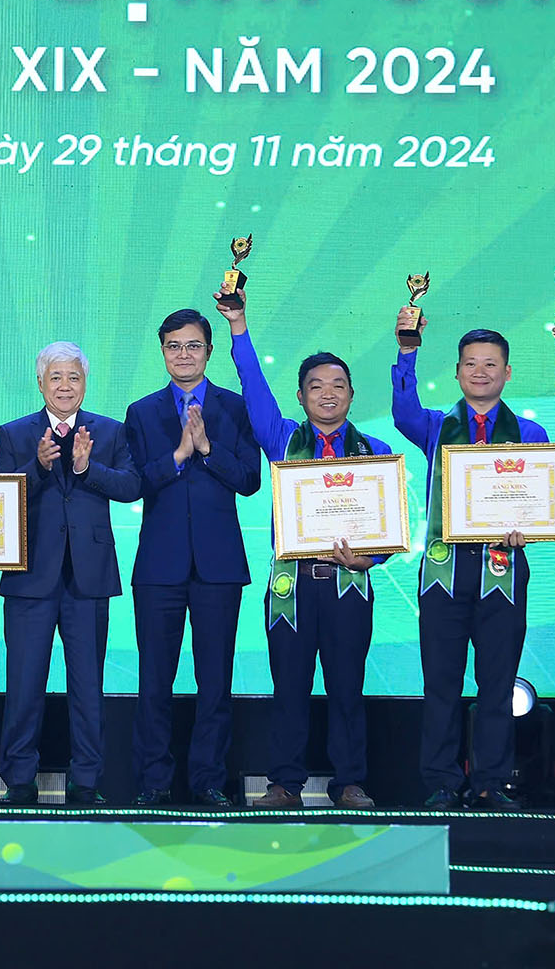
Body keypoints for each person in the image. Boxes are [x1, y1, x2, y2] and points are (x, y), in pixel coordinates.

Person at [216, 289, 386, 810]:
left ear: (352, 394)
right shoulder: (283, 440)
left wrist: (372, 559)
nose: (328, 394)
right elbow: (253, 387)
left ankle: (349, 783)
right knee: (288, 689)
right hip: (292, 587)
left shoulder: (375, 453)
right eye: (316, 386)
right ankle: (285, 784)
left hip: (349, 585)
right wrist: (239, 327)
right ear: (301, 395)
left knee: (347, 689)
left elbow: (386, 526)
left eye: (338, 386)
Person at [392, 318, 549, 812]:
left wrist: (530, 529)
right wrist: (407, 352)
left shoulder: (531, 433)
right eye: (471, 364)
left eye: (491, 364)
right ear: (457, 372)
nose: (481, 372)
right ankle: (441, 782)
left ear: (507, 372)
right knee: (441, 682)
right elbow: (402, 411)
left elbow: (540, 503)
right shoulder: (436, 426)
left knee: (497, 684)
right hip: (445, 571)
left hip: (503, 570)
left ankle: (490, 782)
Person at [124, 308, 263, 807]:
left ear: (208, 350)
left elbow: (250, 480)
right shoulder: (141, 412)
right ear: (163, 351)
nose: (183, 354)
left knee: (215, 682)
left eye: (193, 345)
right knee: (153, 681)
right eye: (174, 346)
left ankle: (208, 780)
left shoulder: (235, 407)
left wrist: (207, 447)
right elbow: (135, 482)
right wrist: (179, 456)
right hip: (158, 567)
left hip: (218, 566)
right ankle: (153, 782)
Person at [0, 342, 142, 806]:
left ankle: (86, 782)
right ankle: (20, 781)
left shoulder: (110, 431)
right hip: (30, 578)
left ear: (85, 383)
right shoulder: (14, 433)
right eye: (55, 377)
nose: (64, 386)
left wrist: (87, 467)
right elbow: (1, 497)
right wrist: (38, 467)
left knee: (87, 687)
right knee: (23, 685)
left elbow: (132, 485)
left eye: (73, 377)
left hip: (88, 578)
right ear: (40, 383)